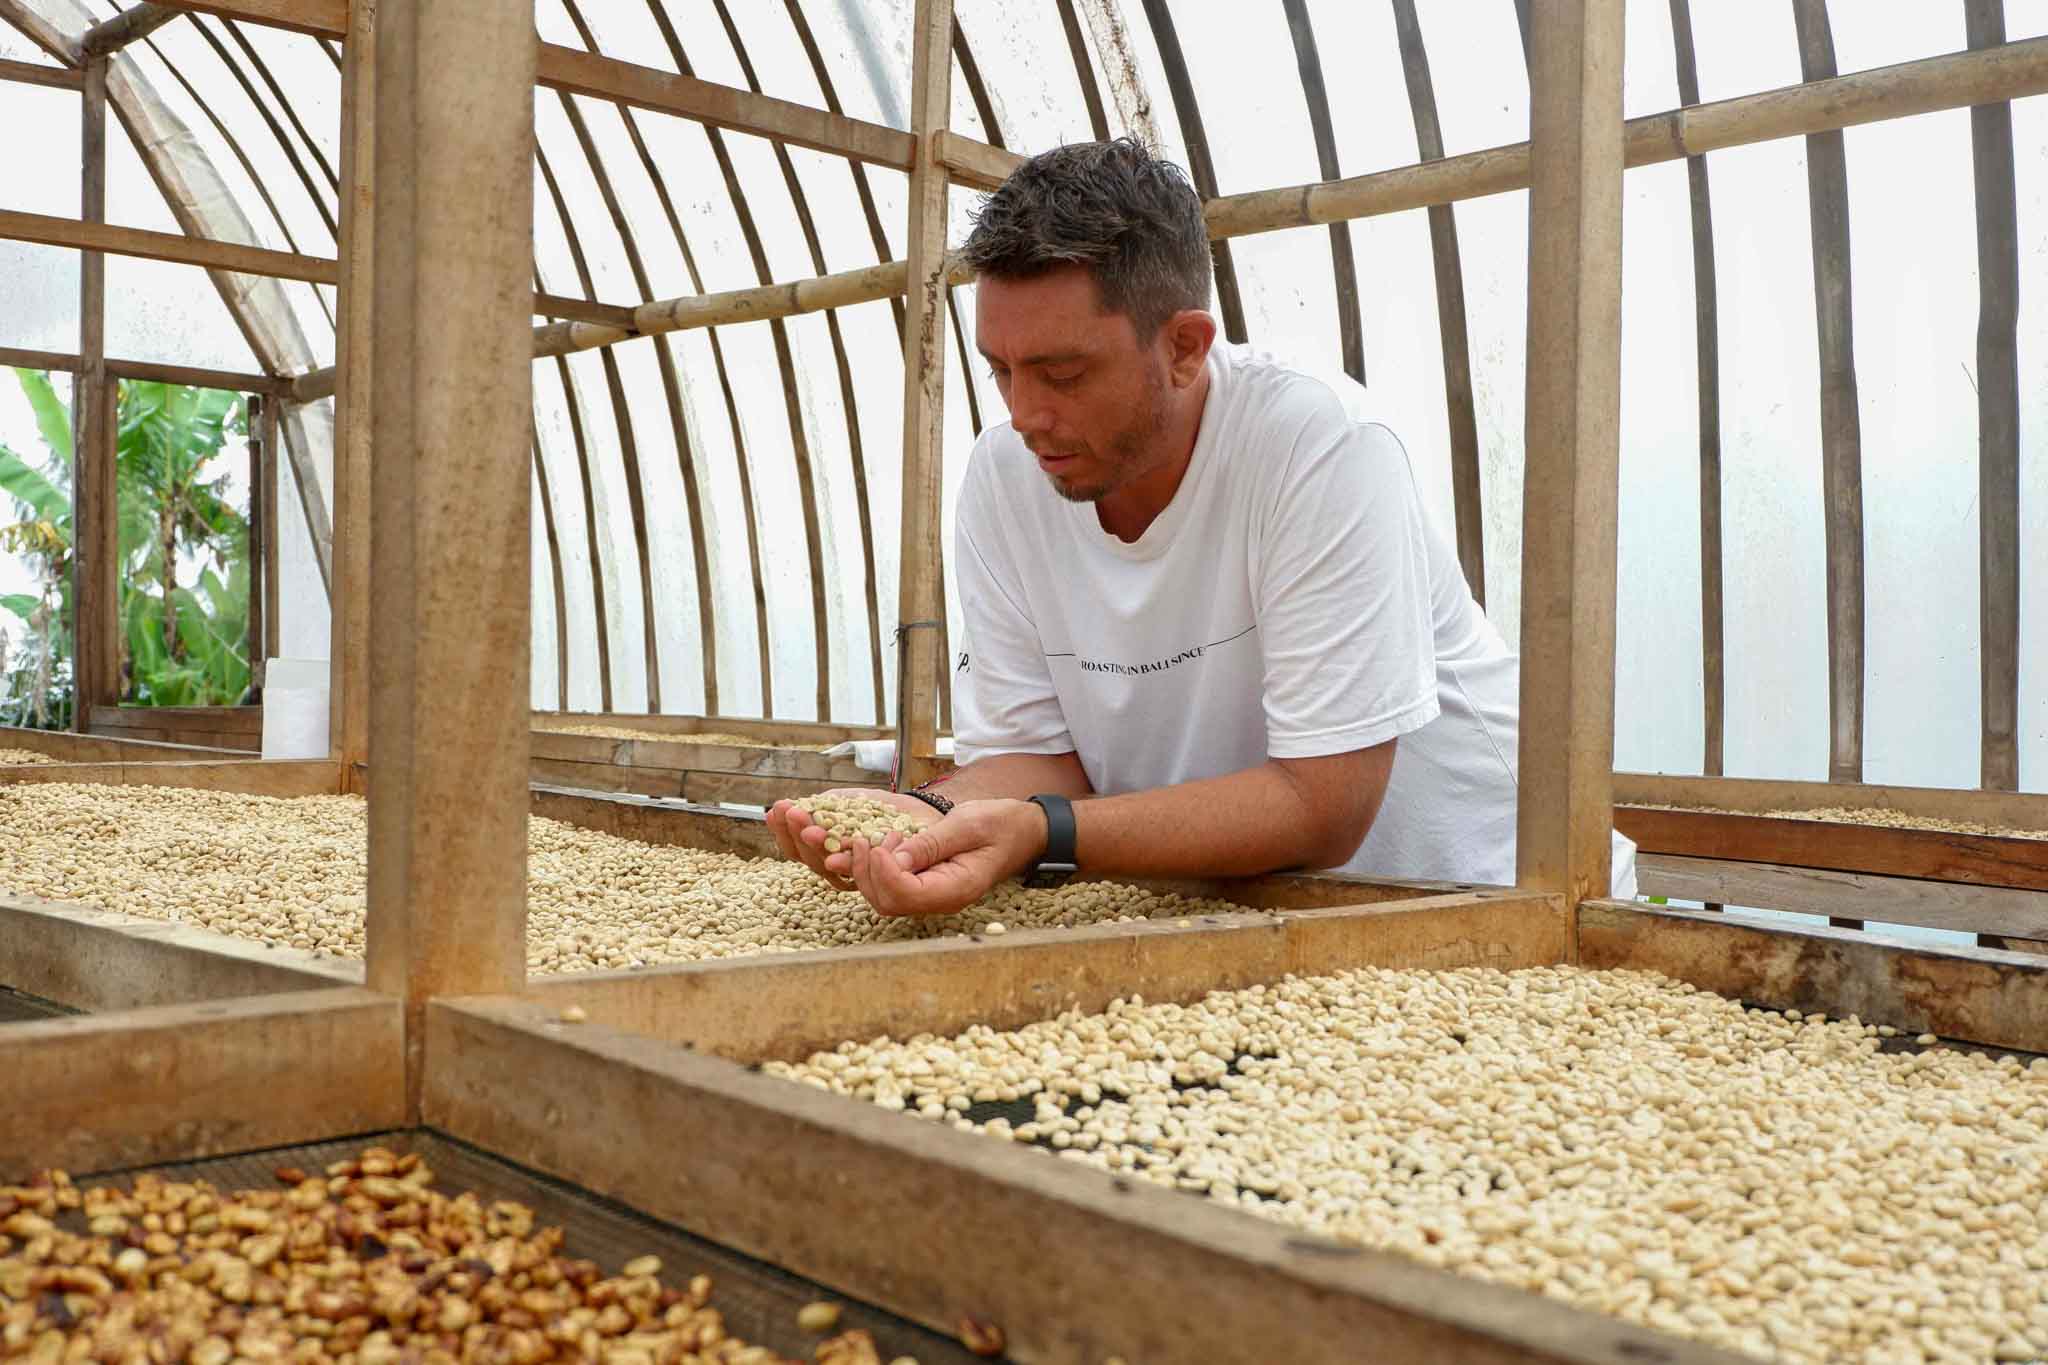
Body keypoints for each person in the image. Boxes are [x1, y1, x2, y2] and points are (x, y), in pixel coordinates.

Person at [768, 138, 1636, 914]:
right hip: (1260, 921)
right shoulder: (1005, 477)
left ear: (1184, 346)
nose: (1026, 414)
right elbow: (1042, 764)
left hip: (1485, 903)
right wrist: (924, 816)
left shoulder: (1316, 444)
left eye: (1062, 373)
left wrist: (1043, 834)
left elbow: (1321, 805)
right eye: (1001, 370)